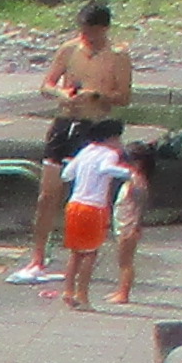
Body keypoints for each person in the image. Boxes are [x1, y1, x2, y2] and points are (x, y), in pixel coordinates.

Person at [23, 0, 134, 280]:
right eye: (83, 30)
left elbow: (124, 97)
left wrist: (97, 95)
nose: (87, 37)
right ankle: (38, 257)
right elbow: (46, 85)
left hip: (96, 125)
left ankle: (84, 257)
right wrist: (62, 93)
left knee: (88, 196)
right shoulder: (69, 49)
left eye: (93, 32)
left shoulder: (118, 55)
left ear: (104, 29)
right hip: (65, 121)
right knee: (48, 194)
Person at [56, 129, 148, 307]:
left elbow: (66, 174)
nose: (120, 144)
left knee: (75, 252)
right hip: (94, 207)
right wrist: (128, 173)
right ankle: (82, 295)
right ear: (110, 138)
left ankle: (68, 290)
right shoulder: (110, 154)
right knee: (90, 253)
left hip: (74, 204)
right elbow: (105, 168)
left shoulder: (85, 151)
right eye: (118, 138)